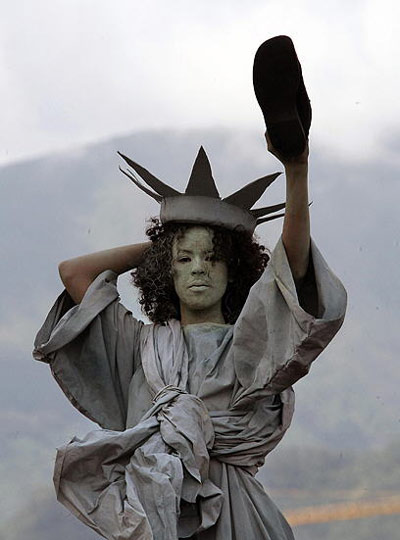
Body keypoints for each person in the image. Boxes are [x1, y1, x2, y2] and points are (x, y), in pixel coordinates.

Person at [33, 37, 347, 539]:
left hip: (237, 518)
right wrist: (171, 238)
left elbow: (292, 272)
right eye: (184, 260)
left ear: (234, 270)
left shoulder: (249, 343)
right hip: (152, 510)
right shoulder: (139, 346)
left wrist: (296, 169)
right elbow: (75, 273)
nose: (199, 269)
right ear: (167, 272)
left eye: (214, 257)